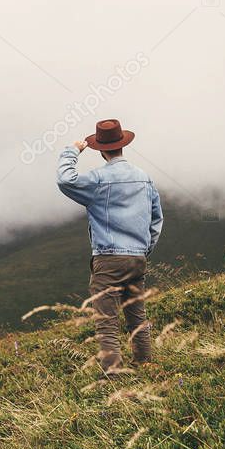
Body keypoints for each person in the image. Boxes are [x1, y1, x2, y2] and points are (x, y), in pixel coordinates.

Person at [56, 118, 163, 375]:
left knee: (107, 319)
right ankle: (144, 363)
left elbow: (65, 180)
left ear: (101, 150)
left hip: (108, 258)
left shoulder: (97, 180)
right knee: (136, 314)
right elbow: (156, 218)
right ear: (123, 145)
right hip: (137, 258)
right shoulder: (144, 178)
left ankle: (113, 374)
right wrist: (143, 250)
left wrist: (72, 151)